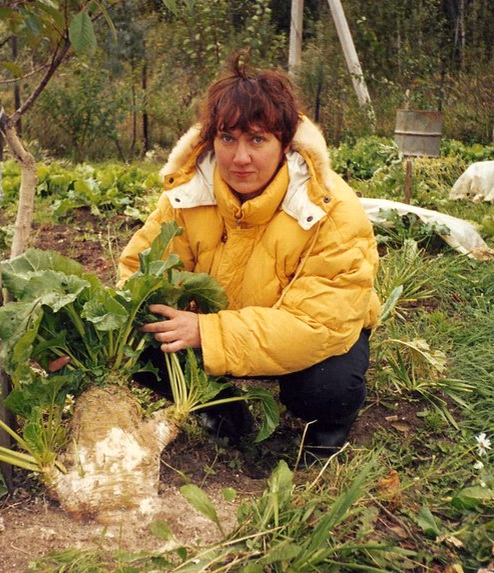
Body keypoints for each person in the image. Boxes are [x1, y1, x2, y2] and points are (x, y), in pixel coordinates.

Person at [119, 54, 381, 460]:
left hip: (312, 333)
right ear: (211, 140)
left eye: (257, 140)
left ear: (285, 145)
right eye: (228, 139)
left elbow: (317, 323)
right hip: (214, 328)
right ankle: (220, 411)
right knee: (136, 335)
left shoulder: (329, 209)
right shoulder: (186, 196)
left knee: (327, 384)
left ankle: (324, 432)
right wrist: (100, 331)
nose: (240, 158)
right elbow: (138, 273)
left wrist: (210, 333)